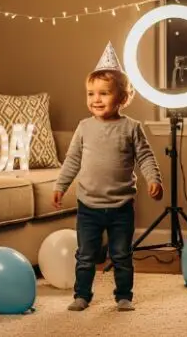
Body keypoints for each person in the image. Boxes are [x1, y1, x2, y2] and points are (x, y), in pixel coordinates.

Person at [52, 41, 163, 312]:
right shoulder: (84, 127)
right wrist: (60, 186)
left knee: (122, 254)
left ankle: (123, 295)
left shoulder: (131, 128)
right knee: (85, 255)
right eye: (91, 94)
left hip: (121, 207)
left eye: (104, 93)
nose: (96, 99)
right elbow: (72, 160)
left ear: (122, 98)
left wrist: (154, 179)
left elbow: (145, 157)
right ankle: (82, 295)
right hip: (88, 206)